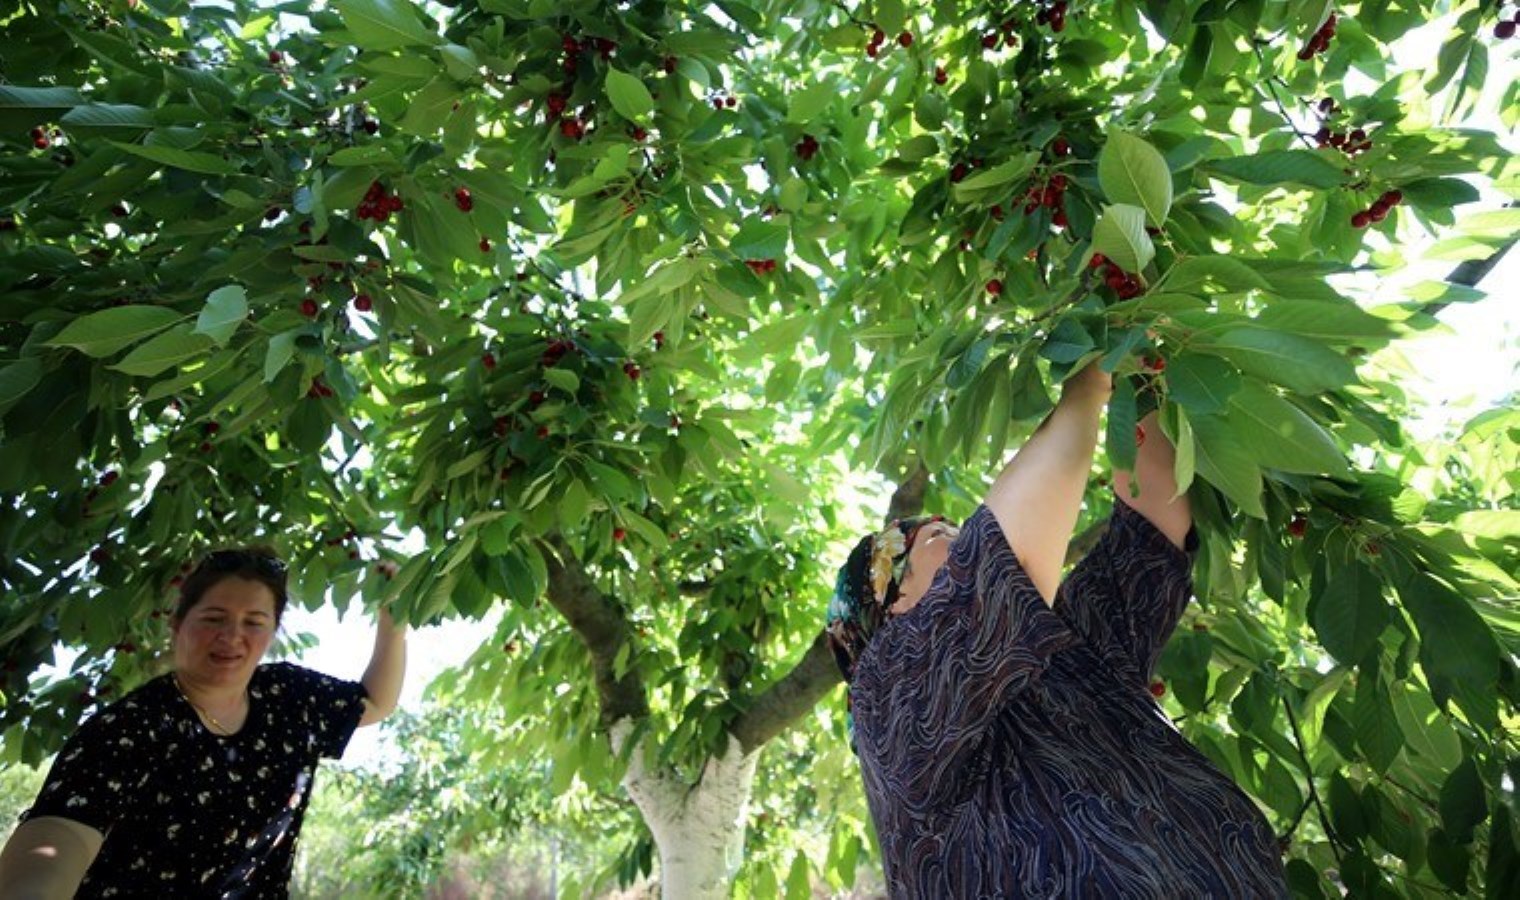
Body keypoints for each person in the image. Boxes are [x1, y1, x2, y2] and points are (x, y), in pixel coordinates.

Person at [827, 364, 1288, 897]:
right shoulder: (888, 700)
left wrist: (1138, 369)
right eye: (938, 534)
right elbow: (1008, 557)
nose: (959, 532)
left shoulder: (1068, 656)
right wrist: (1088, 382)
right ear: (894, 601)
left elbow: (1152, 528)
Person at [0, 546, 407, 899]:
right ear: (177, 624)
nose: (232, 636)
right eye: (214, 618)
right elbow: (60, 836)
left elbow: (373, 702)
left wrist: (394, 619)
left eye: (254, 622)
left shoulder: (289, 697)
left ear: (273, 632)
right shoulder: (129, 727)